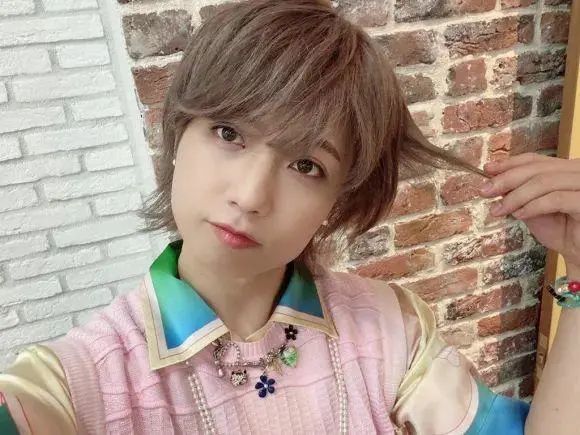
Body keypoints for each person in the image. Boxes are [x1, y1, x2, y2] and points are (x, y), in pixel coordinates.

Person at [0, 1, 578, 433]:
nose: (251, 195)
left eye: (306, 165)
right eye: (228, 133)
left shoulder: (388, 331)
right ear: (177, 135)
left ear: (337, 202)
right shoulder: (77, 383)